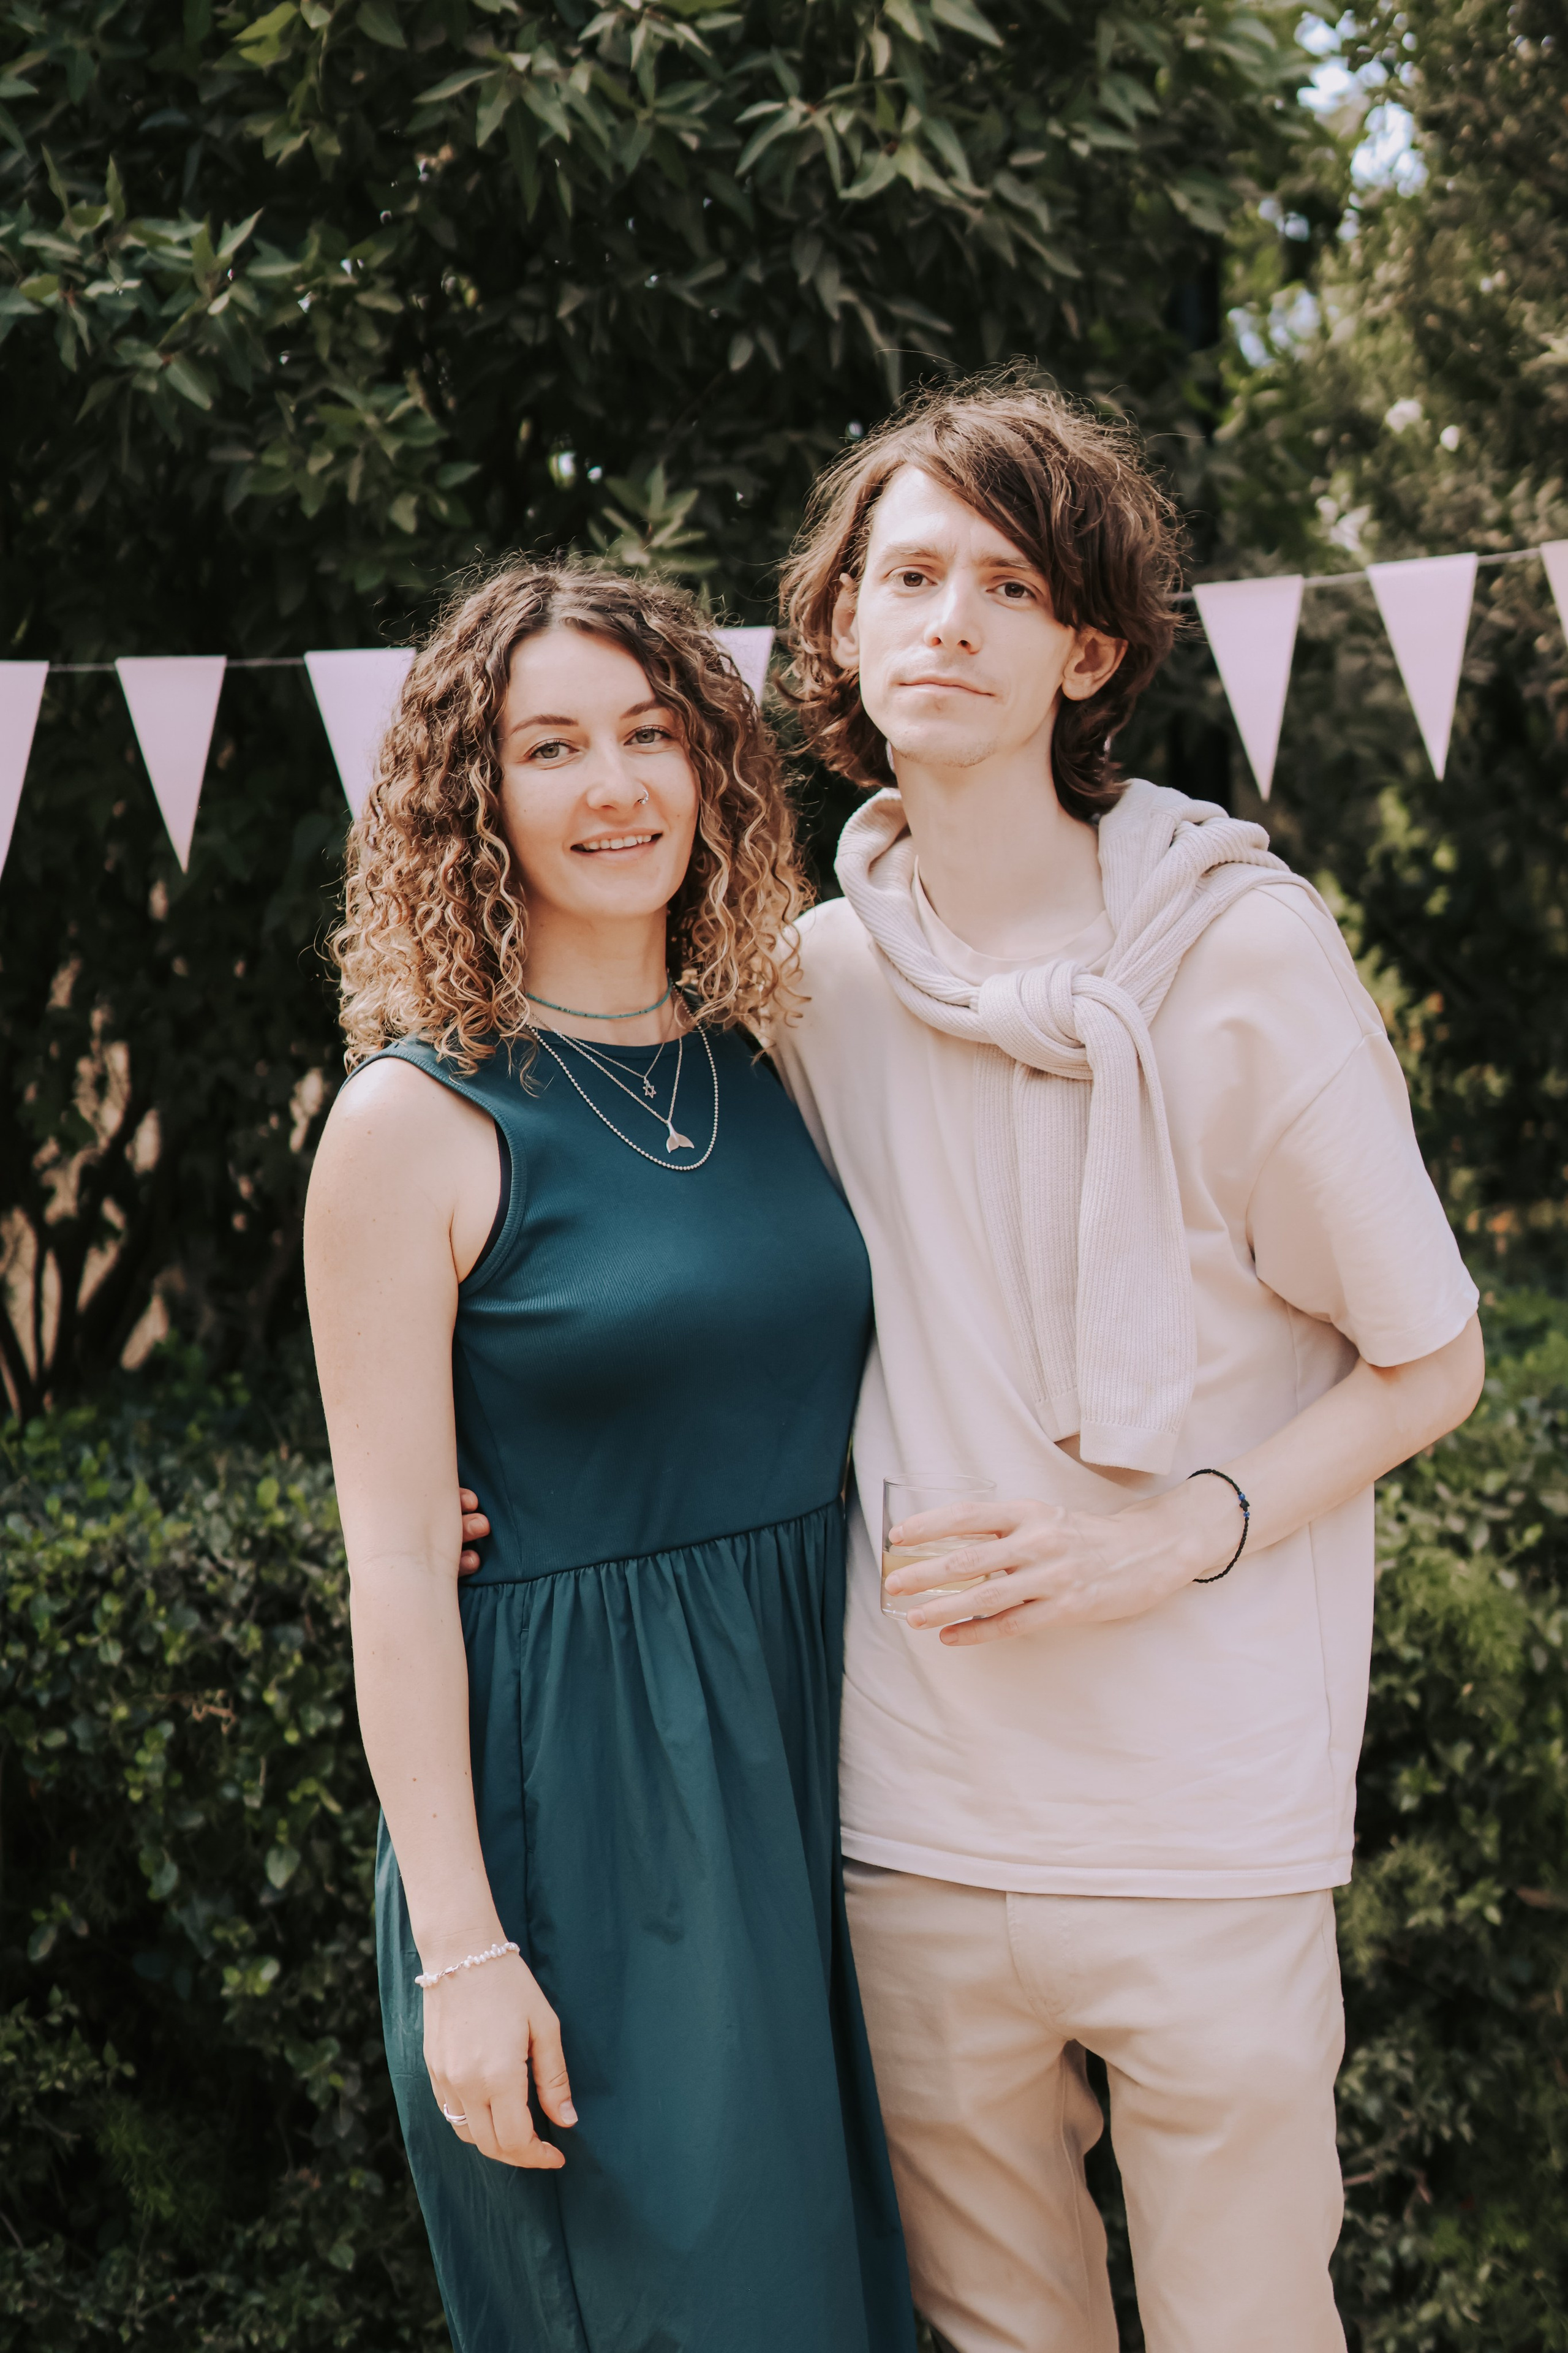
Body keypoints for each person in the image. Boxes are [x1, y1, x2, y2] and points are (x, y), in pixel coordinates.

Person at [760, 381, 1484, 2353]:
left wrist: (1174, 1538)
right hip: (911, 1806)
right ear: (837, 625)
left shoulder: (1242, 956)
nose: (950, 622)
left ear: (1088, 651)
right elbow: (698, 1299)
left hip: (1202, 1820)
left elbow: (1431, 1359)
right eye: (907, 575)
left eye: (1011, 585)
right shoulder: (812, 982)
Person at [303, 562, 914, 2353]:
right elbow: (403, 1558)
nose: (615, 785)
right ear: (470, 799)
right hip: (588, 1805)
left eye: (653, 732)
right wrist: (466, 1957)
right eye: (549, 746)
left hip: (825, 1766)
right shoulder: (414, 1120)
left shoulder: (784, 1049)